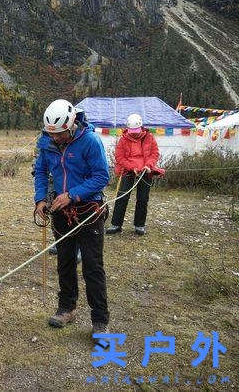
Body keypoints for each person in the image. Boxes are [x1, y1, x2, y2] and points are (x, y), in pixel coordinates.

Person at [33, 99, 110, 334]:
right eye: (51, 134)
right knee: (65, 261)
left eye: (60, 134)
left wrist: (72, 195)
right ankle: (67, 308)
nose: (55, 139)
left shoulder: (90, 141)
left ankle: (100, 321)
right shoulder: (47, 141)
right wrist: (40, 199)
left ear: (72, 125)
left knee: (92, 266)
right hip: (60, 212)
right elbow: (41, 170)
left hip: (89, 211)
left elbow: (101, 177)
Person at [106, 113, 165, 236]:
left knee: (143, 199)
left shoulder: (149, 137)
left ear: (141, 127)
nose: (134, 133)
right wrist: (131, 167)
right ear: (128, 129)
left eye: (136, 130)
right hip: (128, 171)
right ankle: (116, 224)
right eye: (132, 130)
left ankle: (139, 225)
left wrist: (148, 165)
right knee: (122, 197)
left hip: (145, 171)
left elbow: (155, 153)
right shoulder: (123, 139)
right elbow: (119, 157)